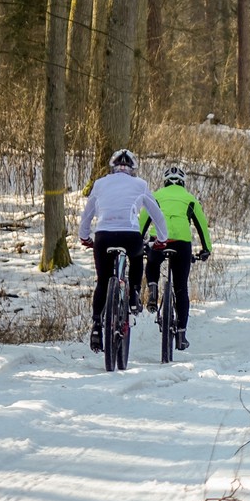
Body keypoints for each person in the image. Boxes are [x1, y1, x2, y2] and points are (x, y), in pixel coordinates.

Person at [79, 149, 169, 352]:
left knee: (103, 281)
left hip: (103, 235)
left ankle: (96, 326)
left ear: (112, 167)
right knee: (137, 257)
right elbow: (157, 214)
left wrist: (84, 236)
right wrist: (162, 239)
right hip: (130, 235)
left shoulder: (100, 183)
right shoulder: (140, 184)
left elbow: (87, 214)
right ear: (132, 169)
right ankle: (135, 293)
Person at [140, 165, 213, 351]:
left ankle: (153, 289)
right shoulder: (190, 199)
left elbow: (143, 220)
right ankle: (181, 334)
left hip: (160, 239)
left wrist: (139, 241)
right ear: (183, 182)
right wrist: (206, 249)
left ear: (165, 181)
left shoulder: (155, 196)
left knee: (153, 261)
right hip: (181, 243)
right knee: (181, 288)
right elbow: (202, 225)